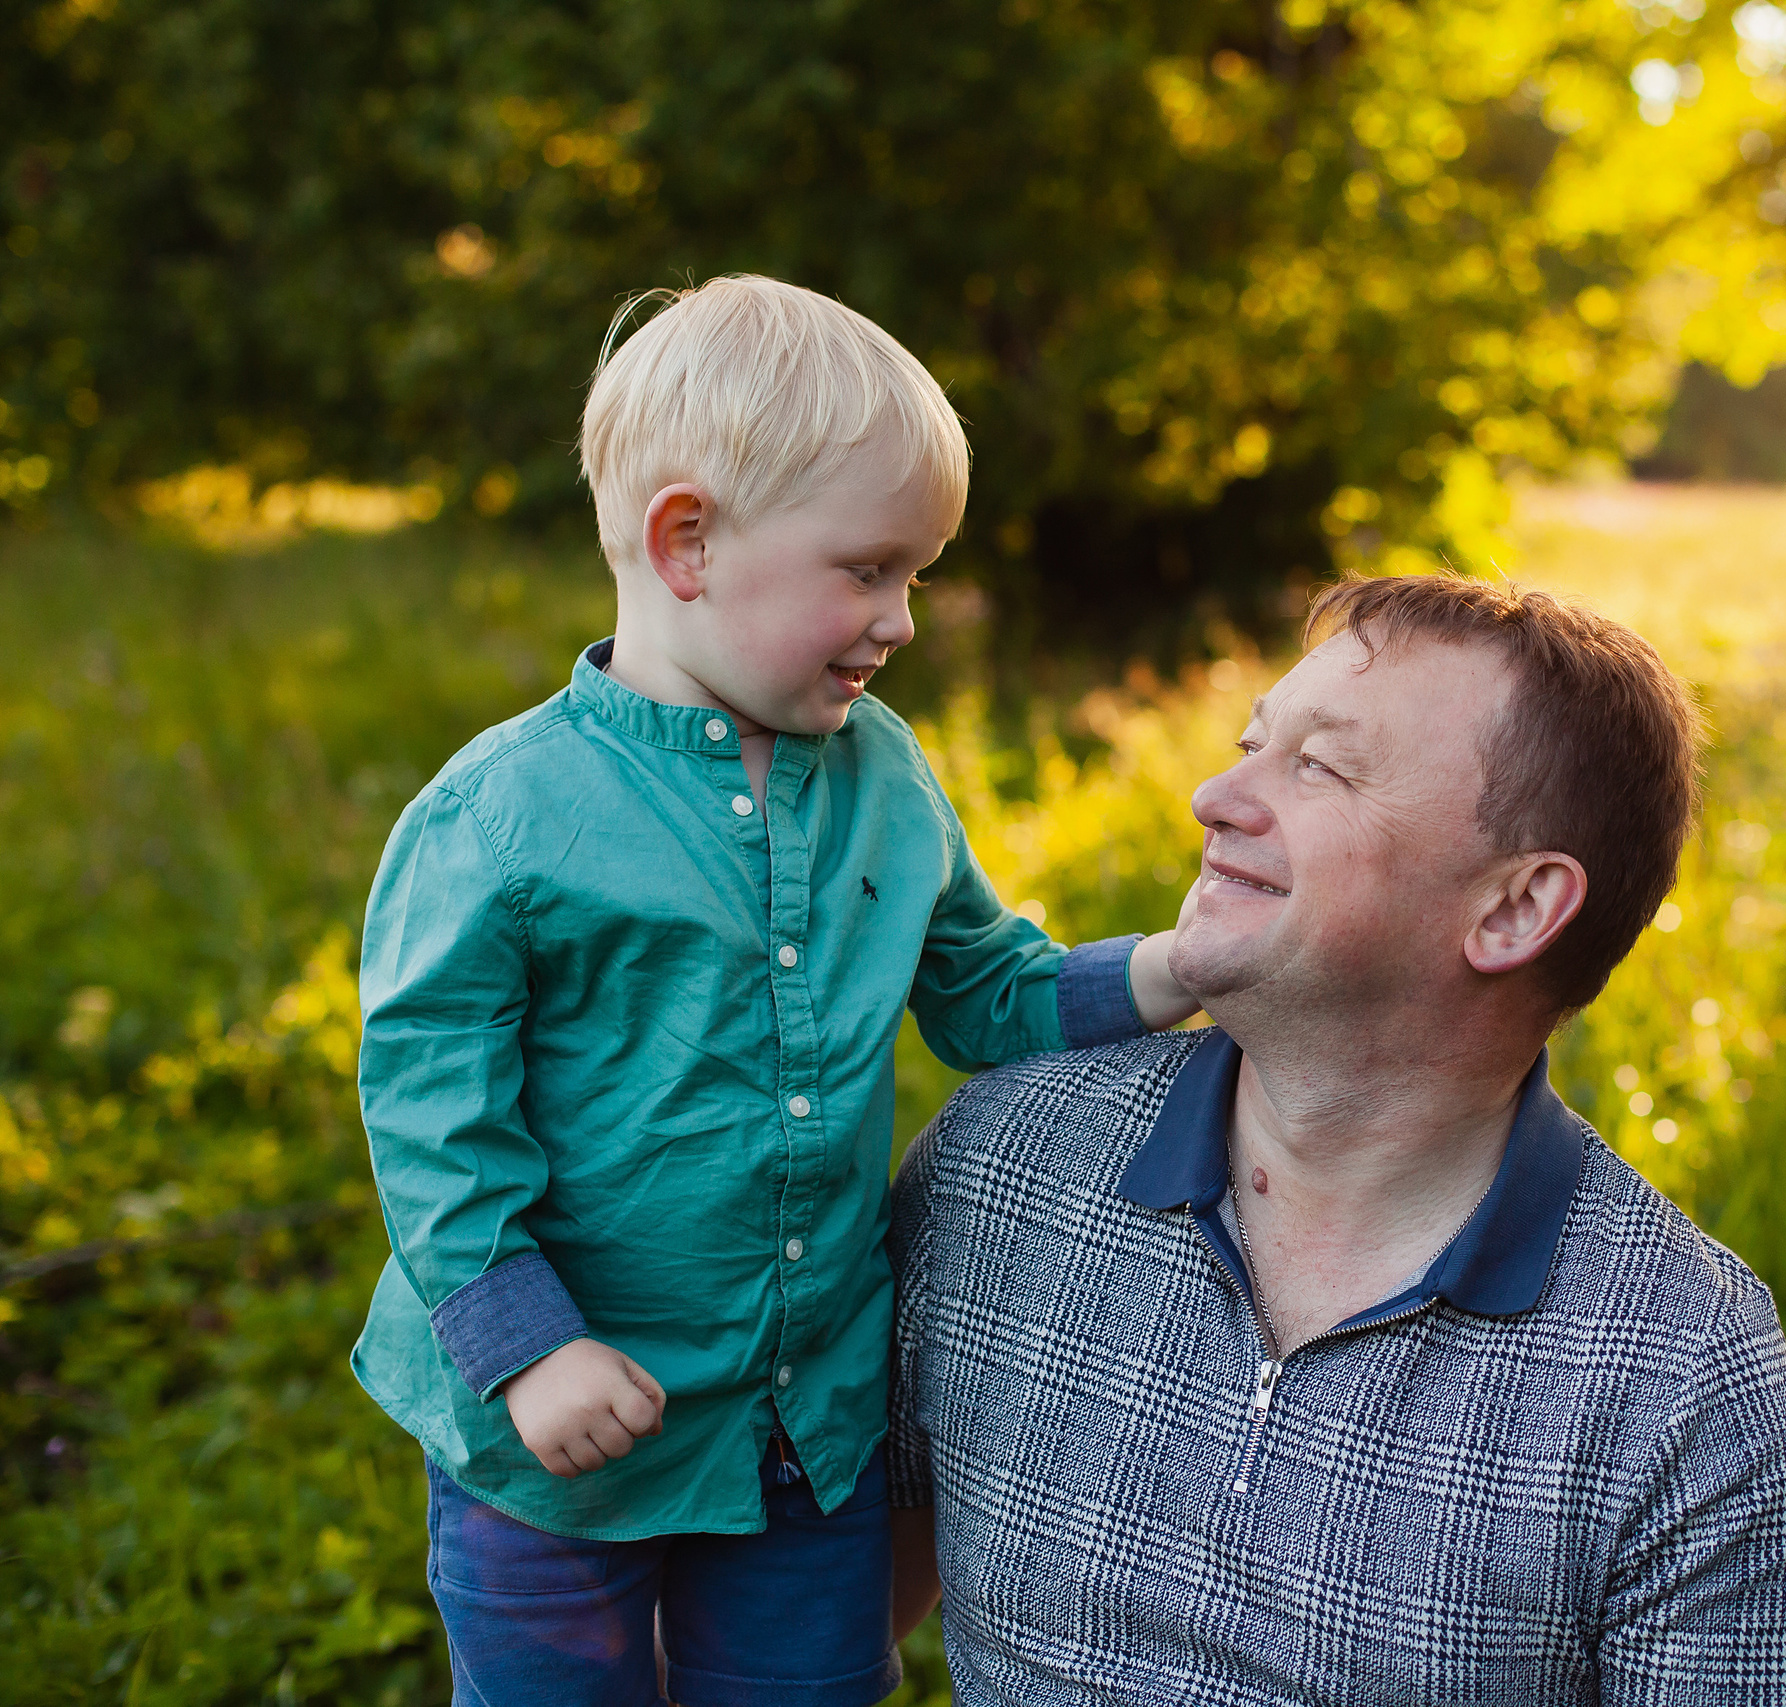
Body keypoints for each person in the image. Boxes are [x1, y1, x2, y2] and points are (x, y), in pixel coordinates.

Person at [350, 274, 1197, 1707]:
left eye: (917, 575)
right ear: (687, 542)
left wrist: (1175, 970)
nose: (903, 620)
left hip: (801, 1411)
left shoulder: (887, 775)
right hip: (559, 1426)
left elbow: (988, 992)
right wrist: (526, 1343)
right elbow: (435, 1110)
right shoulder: (504, 814)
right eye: (869, 570)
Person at [889, 573, 1786, 1703]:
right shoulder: (1002, 1167)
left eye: (1319, 768)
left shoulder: (1679, 1373)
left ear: (1515, 909)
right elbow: (815, 1624)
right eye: (1250, 745)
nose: (1213, 796)